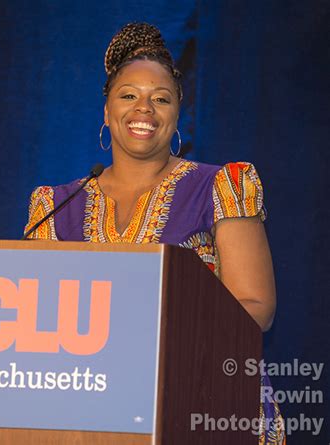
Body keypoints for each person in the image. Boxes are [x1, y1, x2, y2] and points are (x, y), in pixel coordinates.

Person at [24, 22, 285, 444]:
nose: (144, 109)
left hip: (207, 402)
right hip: (93, 410)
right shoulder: (55, 209)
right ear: (106, 112)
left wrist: (173, 342)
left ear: (177, 112)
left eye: (160, 99)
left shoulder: (220, 187)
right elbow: (36, 323)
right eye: (128, 96)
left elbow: (256, 306)